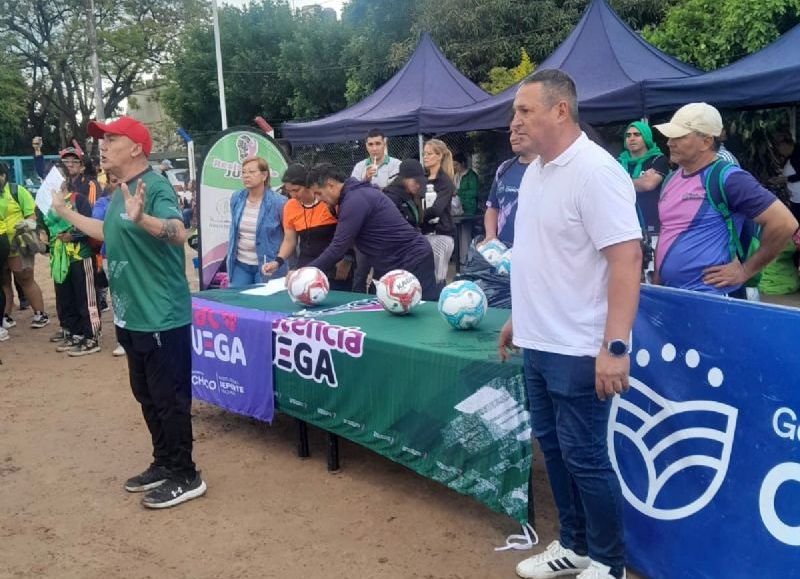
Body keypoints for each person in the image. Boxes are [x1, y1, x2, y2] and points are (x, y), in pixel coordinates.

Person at [500, 70, 642, 579]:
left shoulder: (596, 171)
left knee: (584, 456)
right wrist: (521, 318)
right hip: (539, 340)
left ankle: (609, 562)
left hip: (581, 346)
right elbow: (543, 255)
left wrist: (616, 345)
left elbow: (626, 260)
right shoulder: (537, 170)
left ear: (560, 111)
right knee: (554, 450)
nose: (513, 121)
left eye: (524, 110)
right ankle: (575, 546)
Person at [50, 115, 206, 508]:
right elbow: (108, 232)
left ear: (136, 147)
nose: (101, 145)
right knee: (147, 395)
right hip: (130, 315)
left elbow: (178, 232)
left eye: (111, 138)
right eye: (101, 139)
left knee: (169, 398)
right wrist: (65, 213)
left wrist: (143, 218)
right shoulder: (121, 189)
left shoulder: (153, 186)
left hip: (162, 315)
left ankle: (186, 475)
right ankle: (164, 463)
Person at [653, 103, 798, 297]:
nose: (670, 142)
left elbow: (785, 223)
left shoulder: (728, 177)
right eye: (670, 136)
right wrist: (656, 284)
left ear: (706, 141)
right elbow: (668, 232)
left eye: (680, 137)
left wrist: (746, 271)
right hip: (670, 294)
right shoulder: (672, 178)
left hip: (709, 296)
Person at [305, 163, 439, 300]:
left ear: (330, 185)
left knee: (424, 310)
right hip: (392, 261)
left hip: (412, 259)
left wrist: (305, 273)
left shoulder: (354, 200)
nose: (318, 199)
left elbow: (338, 247)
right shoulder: (353, 196)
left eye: (318, 193)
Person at [262, 164, 353, 290]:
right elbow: (289, 240)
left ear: (308, 185)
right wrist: (277, 261)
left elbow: (349, 233)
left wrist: (347, 258)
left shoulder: (328, 202)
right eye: (289, 191)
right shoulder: (290, 206)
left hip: (335, 265)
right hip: (306, 264)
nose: (293, 195)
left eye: (296, 190)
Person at [42, 171, 102, 356]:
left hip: (80, 256)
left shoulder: (79, 200)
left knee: (85, 297)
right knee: (65, 297)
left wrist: (73, 236)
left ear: (64, 181)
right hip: (59, 257)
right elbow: (43, 226)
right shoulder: (47, 204)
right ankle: (75, 334)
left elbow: (90, 226)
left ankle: (91, 338)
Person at [350, 129, 402, 292]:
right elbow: (351, 195)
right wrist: (366, 180)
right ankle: (355, 306)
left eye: (378, 144)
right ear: (366, 146)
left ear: (384, 143)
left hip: (386, 228)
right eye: (371, 144)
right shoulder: (359, 167)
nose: (374, 148)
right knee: (360, 272)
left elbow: (395, 192)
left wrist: (369, 190)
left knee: (383, 273)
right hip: (364, 228)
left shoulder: (396, 164)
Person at [0, 162, 49, 331]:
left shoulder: (17, 191)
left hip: (19, 244)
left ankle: (40, 313)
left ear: (4, 176)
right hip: (1, 245)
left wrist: (23, 225)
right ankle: (5, 315)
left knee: (25, 278)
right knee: (4, 281)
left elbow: (31, 216)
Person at [225, 156, 286, 287]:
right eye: (243, 172)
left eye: (251, 172)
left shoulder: (279, 202)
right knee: (237, 302)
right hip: (240, 265)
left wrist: (279, 261)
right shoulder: (236, 198)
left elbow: (288, 236)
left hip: (267, 265)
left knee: (264, 304)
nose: (246, 176)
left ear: (264, 175)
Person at [483, 130, 535, 248]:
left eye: (519, 132)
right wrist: (490, 235)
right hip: (504, 254)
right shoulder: (504, 168)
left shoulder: (547, 167)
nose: (512, 138)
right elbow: (492, 208)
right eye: (511, 133)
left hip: (535, 252)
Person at [617, 121, 670, 232]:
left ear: (646, 137)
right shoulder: (618, 162)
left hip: (653, 223)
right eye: (628, 135)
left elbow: (648, 184)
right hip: (624, 223)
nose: (631, 138)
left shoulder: (658, 159)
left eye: (637, 134)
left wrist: (619, 183)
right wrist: (639, 181)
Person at [422, 139, 456, 284]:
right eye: (424, 154)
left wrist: (419, 216)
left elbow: (437, 209)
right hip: (422, 233)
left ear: (439, 156)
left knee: (438, 276)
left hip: (441, 233)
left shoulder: (445, 182)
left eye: (429, 154)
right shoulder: (422, 179)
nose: (425, 157)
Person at [383, 159, 426, 229]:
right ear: (404, 179)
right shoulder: (392, 198)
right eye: (416, 181)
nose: (418, 185)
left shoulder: (410, 194)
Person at [452, 152, 478, 216]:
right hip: (457, 205)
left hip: (468, 207)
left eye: (456, 165)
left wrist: (458, 192)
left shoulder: (471, 176)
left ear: (462, 163)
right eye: (453, 165)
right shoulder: (456, 176)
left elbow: (474, 192)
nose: (454, 167)